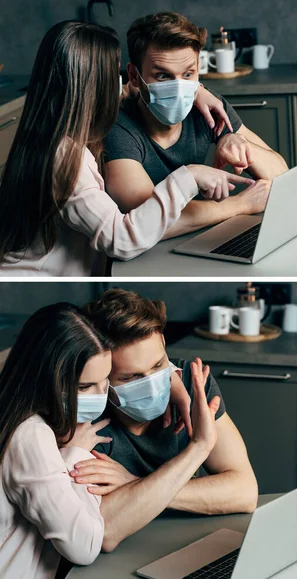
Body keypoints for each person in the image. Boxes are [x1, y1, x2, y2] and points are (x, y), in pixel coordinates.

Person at [0, 21, 252, 277]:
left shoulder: (48, 131)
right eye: (113, 73)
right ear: (93, 86)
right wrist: (191, 176)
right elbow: (120, 240)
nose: (119, 82)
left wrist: (194, 90)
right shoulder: (66, 156)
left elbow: (132, 88)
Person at [68, 289, 257, 551]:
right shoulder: (86, 418)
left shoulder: (192, 384)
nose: (152, 385)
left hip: (192, 542)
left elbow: (245, 491)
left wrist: (134, 484)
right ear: (99, 373)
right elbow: (105, 531)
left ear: (164, 344)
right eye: (131, 378)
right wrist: (199, 445)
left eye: (158, 366)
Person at [103, 12, 289, 240]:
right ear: (134, 75)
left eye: (188, 74)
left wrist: (235, 142)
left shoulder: (207, 109)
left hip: (195, 236)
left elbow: (281, 175)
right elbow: (145, 219)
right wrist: (241, 204)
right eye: (162, 76)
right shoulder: (118, 128)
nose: (179, 88)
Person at [0, 303, 113, 577]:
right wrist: (74, 455)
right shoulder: (29, 435)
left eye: (106, 380)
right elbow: (84, 547)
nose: (101, 395)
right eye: (85, 386)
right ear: (47, 378)